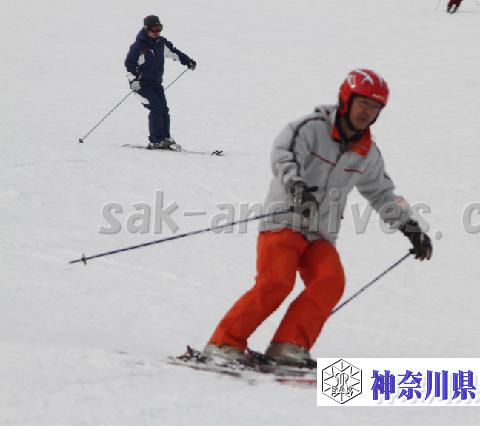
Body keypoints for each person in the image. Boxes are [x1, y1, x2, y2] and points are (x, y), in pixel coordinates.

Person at [202, 69, 433, 367]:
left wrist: (410, 227)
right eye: (364, 103)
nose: (368, 112)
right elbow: (284, 155)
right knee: (276, 282)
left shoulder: (367, 153)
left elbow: (381, 193)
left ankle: (288, 346)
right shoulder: (311, 128)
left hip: (321, 233)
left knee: (330, 281)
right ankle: (224, 343)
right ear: (346, 99)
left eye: (376, 107)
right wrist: (297, 188)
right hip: (285, 221)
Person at [125, 15, 196, 149]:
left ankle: (165, 138)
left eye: (159, 28)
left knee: (164, 109)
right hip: (141, 86)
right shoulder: (138, 46)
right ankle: (156, 140)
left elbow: (174, 52)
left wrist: (188, 61)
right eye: (154, 29)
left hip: (156, 84)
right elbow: (130, 65)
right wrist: (133, 80)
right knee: (156, 108)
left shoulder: (160, 43)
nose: (157, 31)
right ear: (146, 29)